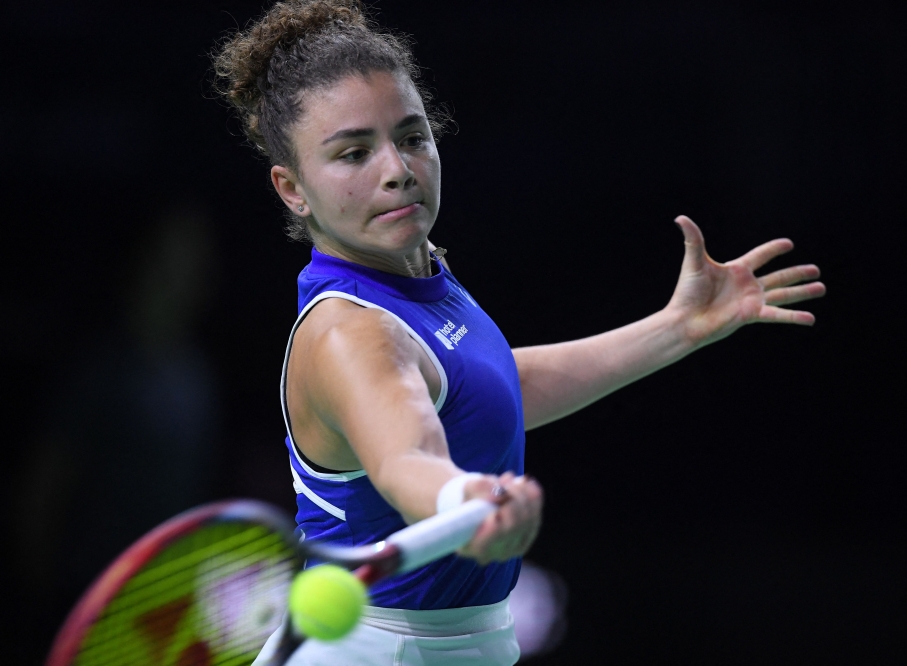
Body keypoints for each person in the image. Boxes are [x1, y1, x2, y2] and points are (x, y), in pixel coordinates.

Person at [212, 1, 825, 663]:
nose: (397, 169)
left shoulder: (417, 277)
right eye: (353, 153)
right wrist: (462, 499)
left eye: (412, 137)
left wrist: (678, 329)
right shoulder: (351, 334)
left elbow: (492, 388)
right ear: (292, 188)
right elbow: (404, 457)